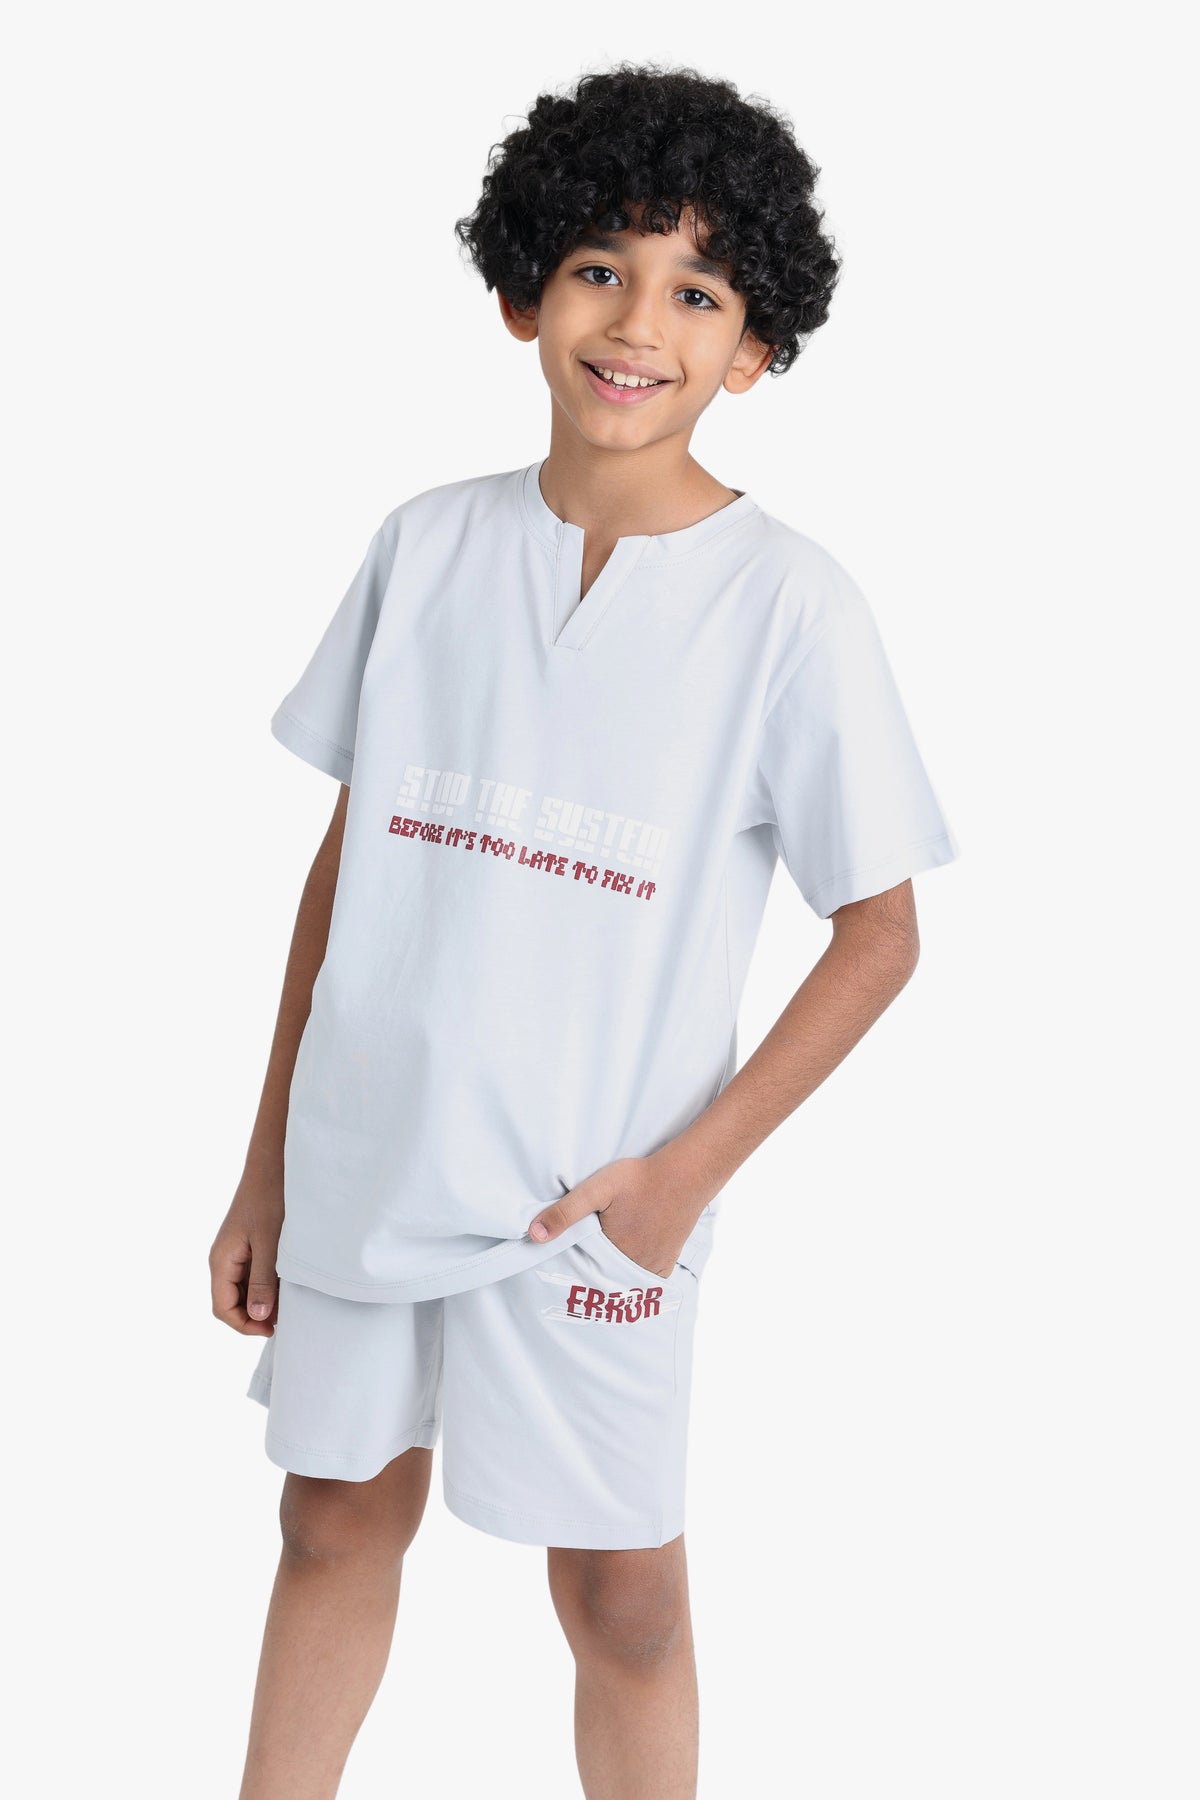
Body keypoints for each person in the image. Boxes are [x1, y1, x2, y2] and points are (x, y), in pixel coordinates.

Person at [210, 62, 958, 1800]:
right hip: (367, 1157)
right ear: (522, 293)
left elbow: (880, 932)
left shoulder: (790, 608)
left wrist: (681, 1179)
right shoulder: (426, 546)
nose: (638, 324)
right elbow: (346, 870)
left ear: (755, 349)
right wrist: (265, 1170)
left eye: (699, 292)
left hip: (591, 1202)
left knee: (622, 1599)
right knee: (330, 1521)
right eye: (602, 270)